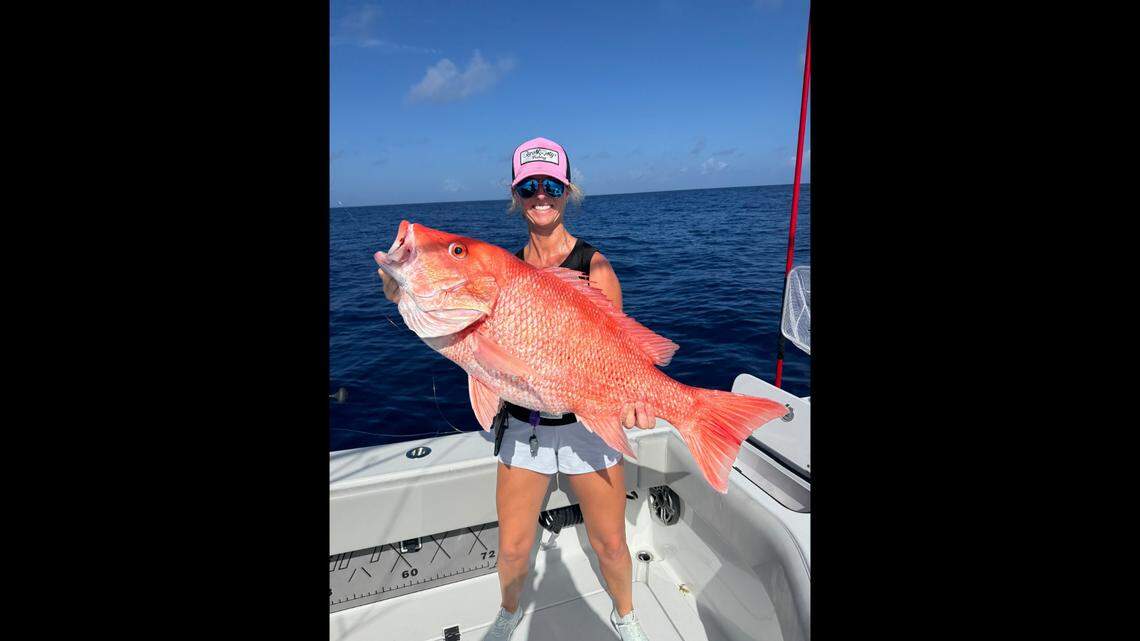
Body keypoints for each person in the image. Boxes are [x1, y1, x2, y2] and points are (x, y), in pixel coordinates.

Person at [379, 137, 655, 641]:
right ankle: (509, 612)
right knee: (511, 548)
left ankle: (626, 615)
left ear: (567, 190)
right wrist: (402, 285)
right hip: (524, 428)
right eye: (530, 186)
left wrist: (635, 400)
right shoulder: (500, 270)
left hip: (587, 428)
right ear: (516, 195)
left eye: (550, 184)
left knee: (611, 542)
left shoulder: (595, 267)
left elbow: (623, 354)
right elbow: (468, 343)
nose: (541, 195)